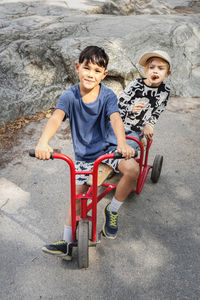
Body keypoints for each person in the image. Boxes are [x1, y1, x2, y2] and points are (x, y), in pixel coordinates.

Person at [35, 46, 139, 261]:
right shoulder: (69, 96)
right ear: (77, 67)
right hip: (85, 157)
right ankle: (66, 241)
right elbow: (56, 118)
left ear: (104, 75)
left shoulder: (107, 95)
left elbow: (116, 118)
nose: (91, 74)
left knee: (132, 169)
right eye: (86, 68)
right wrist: (43, 143)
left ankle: (113, 210)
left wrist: (122, 143)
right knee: (78, 197)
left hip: (110, 148)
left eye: (97, 71)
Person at [118, 50, 171, 151]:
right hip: (120, 125)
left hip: (136, 130)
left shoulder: (165, 91)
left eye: (160, 68)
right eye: (151, 67)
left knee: (129, 149)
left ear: (167, 73)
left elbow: (157, 111)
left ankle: (125, 161)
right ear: (146, 71)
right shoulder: (135, 85)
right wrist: (131, 109)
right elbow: (119, 104)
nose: (155, 71)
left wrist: (149, 125)